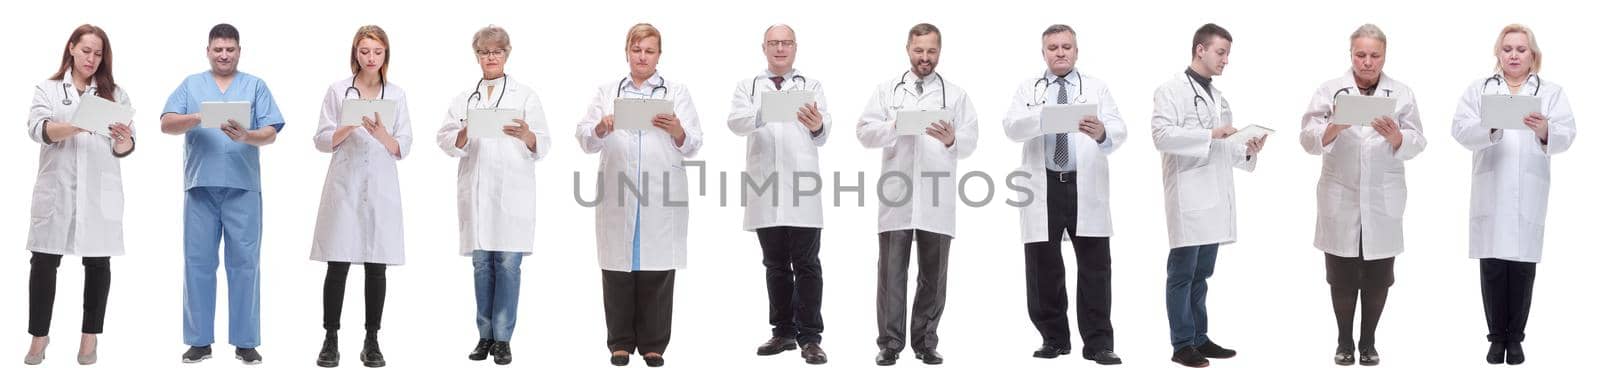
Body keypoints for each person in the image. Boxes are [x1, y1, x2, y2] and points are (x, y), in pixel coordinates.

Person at [1297, 23, 1426, 367]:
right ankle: (1343, 341)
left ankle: (1368, 342)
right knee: (1341, 274)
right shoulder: (1330, 90)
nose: (1367, 62)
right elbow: (1308, 139)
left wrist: (1398, 137)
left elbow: (1418, 141)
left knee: (1378, 275)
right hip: (1340, 195)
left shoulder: (1401, 93)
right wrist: (1335, 125)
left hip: (1383, 198)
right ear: (1350, 54)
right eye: (1360, 54)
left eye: (1375, 55)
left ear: (1385, 55)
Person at [576, 23, 702, 368]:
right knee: (618, 268)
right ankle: (620, 343)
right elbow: (584, 137)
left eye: (649, 50)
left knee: (657, 271)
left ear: (659, 55)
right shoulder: (607, 90)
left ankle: (653, 344)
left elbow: (693, 143)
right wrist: (602, 126)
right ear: (627, 52)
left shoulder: (676, 92)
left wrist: (677, 129)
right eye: (636, 50)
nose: (642, 57)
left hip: (661, 193)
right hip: (619, 190)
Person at [1449, 24, 1575, 366]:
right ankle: (1495, 338)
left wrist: (1545, 129)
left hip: (1529, 190)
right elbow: (1459, 128)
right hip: (1491, 188)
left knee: (1521, 270)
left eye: (1521, 49)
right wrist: (1489, 126)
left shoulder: (1550, 92)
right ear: (1498, 54)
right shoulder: (1480, 90)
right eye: (1508, 49)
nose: (1514, 55)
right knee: (1492, 267)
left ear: (1533, 55)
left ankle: (1515, 339)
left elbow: (1567, 132)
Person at [1001, 24, 1127, 366]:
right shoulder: (1029, 88)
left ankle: (1099, 343)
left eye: (1066, 46)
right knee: (1043, 265)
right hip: (1043, 186)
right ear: (1043, 53)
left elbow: (1118, 129)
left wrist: (1102, 131)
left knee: (1095, 266)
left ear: (1076, 51)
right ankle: (1053, 338)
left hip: (1084, 184)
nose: (1060, 52)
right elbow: (1011, 127)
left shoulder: (1097, 88)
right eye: (1053, 47)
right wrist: (1045, 118)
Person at [159, 23, 285, 365]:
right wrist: (198, 117)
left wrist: (246, 136)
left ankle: (245, 341)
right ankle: (199, 341)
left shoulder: (255, 86)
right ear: (208, 51)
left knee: (245, 265)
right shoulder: (191, 85)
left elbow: (271, 132)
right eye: (218, 49)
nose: (224, 55)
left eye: (230, 49)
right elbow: (166, 122)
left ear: (239, 51)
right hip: (200, 186)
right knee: (197, 263)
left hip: (243, 187)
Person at [856, 23, 979, 366]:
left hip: (936, 198)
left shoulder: (955, 95)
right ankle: (890, 344)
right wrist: (894, 127)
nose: (925, 57)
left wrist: (952, 139)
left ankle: (925, 342)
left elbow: (970, 139)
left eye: (931, 51)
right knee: (891, 275)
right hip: (897, 196)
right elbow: (864, 132)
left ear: (940, 51)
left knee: (933, 276)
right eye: (919, 50)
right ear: (907, 49)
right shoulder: (887, 91)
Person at [436, 25, 550, 366]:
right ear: (477, 56)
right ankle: (484, 336)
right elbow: (444, 139)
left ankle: (503, 339)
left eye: (496, 52)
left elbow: (542, 143)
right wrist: (466, 130)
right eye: (485, 52)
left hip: (513, 194)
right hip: (477, 194)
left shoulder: (525, 95)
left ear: (506, 54)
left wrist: (529, 134)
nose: (490, 57)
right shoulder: (464, 99)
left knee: (508, 266)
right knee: (482, 266)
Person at [23, 24, 135, 366]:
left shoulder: (115, 93)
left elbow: (127, 146)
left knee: (98, 263)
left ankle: (89, 340)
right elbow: (38, 130)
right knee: (44, 262)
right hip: (57, 190)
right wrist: (79, 125)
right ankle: (39, 337)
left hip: (98, 195)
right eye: (86, 50)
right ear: (71, 48)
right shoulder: (49, 89)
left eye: (98, 53)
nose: (92, 58)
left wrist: (121, 137)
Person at [1151, 23, 1261, 368]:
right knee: (1182, 274)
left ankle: (1199, 337)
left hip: (1214, 198)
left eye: (1227, 53)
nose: (1226, 60)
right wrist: (1211, 133)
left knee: (1202, 274)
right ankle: (1182, 344)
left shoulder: (1219, 99)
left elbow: (1224, 149)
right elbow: (1162, 135)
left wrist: (1247, 147)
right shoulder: (1170, 90)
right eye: (1221, 52)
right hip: (1188, 196)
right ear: (1200, 49)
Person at [726, 24, 831, 365]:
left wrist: (816, 123)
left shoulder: (811, 86)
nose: (780, 48)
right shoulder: (749, 86)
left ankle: (810, 337)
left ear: (795, 47)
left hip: (802, 189)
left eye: (786, 43)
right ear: (764, 47)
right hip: (765, 188)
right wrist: (764, 111)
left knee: (807, 264)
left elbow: (823, 131)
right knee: (774, 264)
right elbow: (736, 122)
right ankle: (783, 331)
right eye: (774, 43)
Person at [310, 25, 413, 368]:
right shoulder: (339, 91)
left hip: (381, 188)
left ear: (386, 54)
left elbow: (404, 145)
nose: (371, 58)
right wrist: (348, 126)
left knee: (376, 265)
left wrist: (383, 134)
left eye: (377, 52)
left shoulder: (396, 95)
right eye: (365, 51)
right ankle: (330, 339)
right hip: (345, 185)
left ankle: (372, 340)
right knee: (337, 263)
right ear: (355, 52)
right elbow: (322, 138)